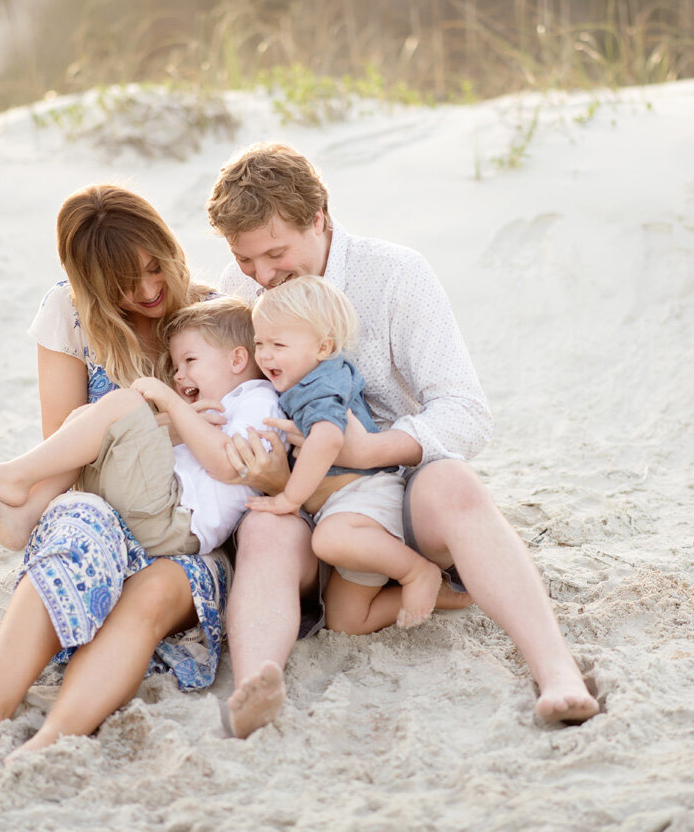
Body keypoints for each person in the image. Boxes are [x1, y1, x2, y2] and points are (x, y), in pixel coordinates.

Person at [208, 142, 601, 738]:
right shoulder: (233, 291)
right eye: (245, 260)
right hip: (296, 505)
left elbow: (467, 413)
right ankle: (253, 690)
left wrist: (369, 450)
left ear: (319, 218)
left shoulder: (393, 274)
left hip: (396, 493)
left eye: (276, 253)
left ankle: (557, 674)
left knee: (456, 483)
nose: (261, 277)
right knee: (263, 528)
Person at [0, 185, 241, 764]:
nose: (150, 291)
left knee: (152, 592)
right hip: (105, 504)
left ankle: (52, 740)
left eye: (155, 267)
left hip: (192, 526)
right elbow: (64, 446)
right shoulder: (70, 314)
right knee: (73, 533)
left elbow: (243, 430)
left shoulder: (215, 318)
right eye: (123, 284)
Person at [0, 296, 283, 560]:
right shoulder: (206, 410)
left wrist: (172, 403)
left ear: (238, 360)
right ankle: (26, 516)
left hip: (178, 521)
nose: (179, 376)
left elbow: (230, 466)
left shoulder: (257, 399)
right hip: (153, 507)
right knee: (84, 417)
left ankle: (18, 474)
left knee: (126, 403)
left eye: (190, 361)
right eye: (176, 366)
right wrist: (174, 420)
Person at [244, 275, 451, 631]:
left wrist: (290, 498)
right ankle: (456, 595)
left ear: (323, 348)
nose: (264, 354)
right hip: (346, 508)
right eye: (259, 342)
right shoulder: (309, 377)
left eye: (278, 344)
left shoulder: (318, 385)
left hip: (364, 499)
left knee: (329, 540)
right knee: (345, 620)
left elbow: (327, 440)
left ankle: (418, 572)